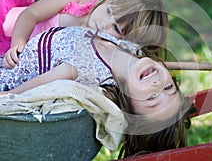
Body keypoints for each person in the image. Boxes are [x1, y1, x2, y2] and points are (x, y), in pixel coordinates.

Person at [0, 25, 194, 157]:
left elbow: (18, 93)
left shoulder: (89, 71)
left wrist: (9, 95)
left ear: (130, 107)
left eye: (152, 98)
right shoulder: (131, 48)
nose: (157, 84)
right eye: (169, 87)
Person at [0, 0, 168, 68]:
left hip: (30, 60)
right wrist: (18, 43)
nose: (104, 23)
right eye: (109, 11)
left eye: (116, 28)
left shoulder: (101, 47)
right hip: (11, 31)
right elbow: (31, 14)